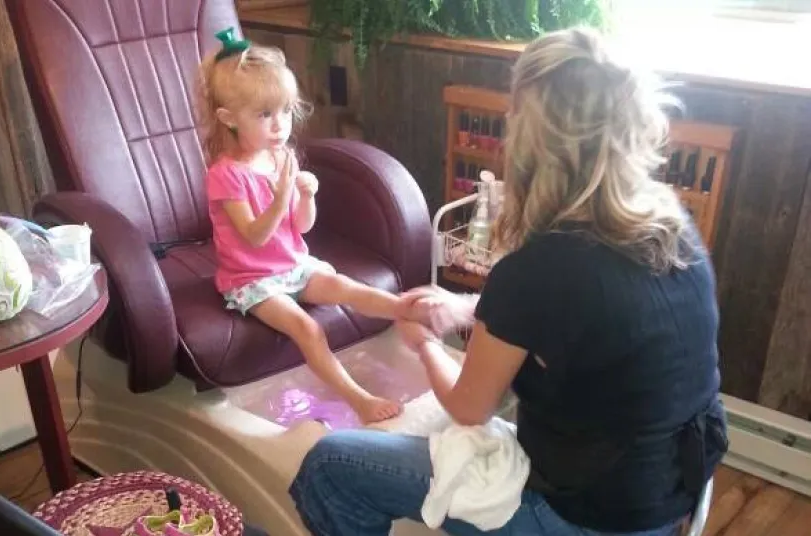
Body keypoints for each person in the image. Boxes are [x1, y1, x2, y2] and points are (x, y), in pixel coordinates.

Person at [288, 27, 729, 536]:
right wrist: (465, 305)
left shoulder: (539, 268)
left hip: (588, 517)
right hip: (677, 494)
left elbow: (468, 408)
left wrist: (424, 342)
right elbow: (583, 313)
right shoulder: (670, 220)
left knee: (330, 465)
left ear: (529, 139)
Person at [195, 28, 429, 424]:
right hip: (251, 279)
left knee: (346, 286)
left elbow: (301, 229)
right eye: (264, 114)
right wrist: (284, 194)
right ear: (228, 119)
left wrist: (306, 197)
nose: (279, 124)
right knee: (307, 328)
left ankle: (404, 308)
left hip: (292, 264)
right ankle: (359, 400)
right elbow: (254, 236)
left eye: (285, 111)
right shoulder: (226, 175)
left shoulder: (279, 157)